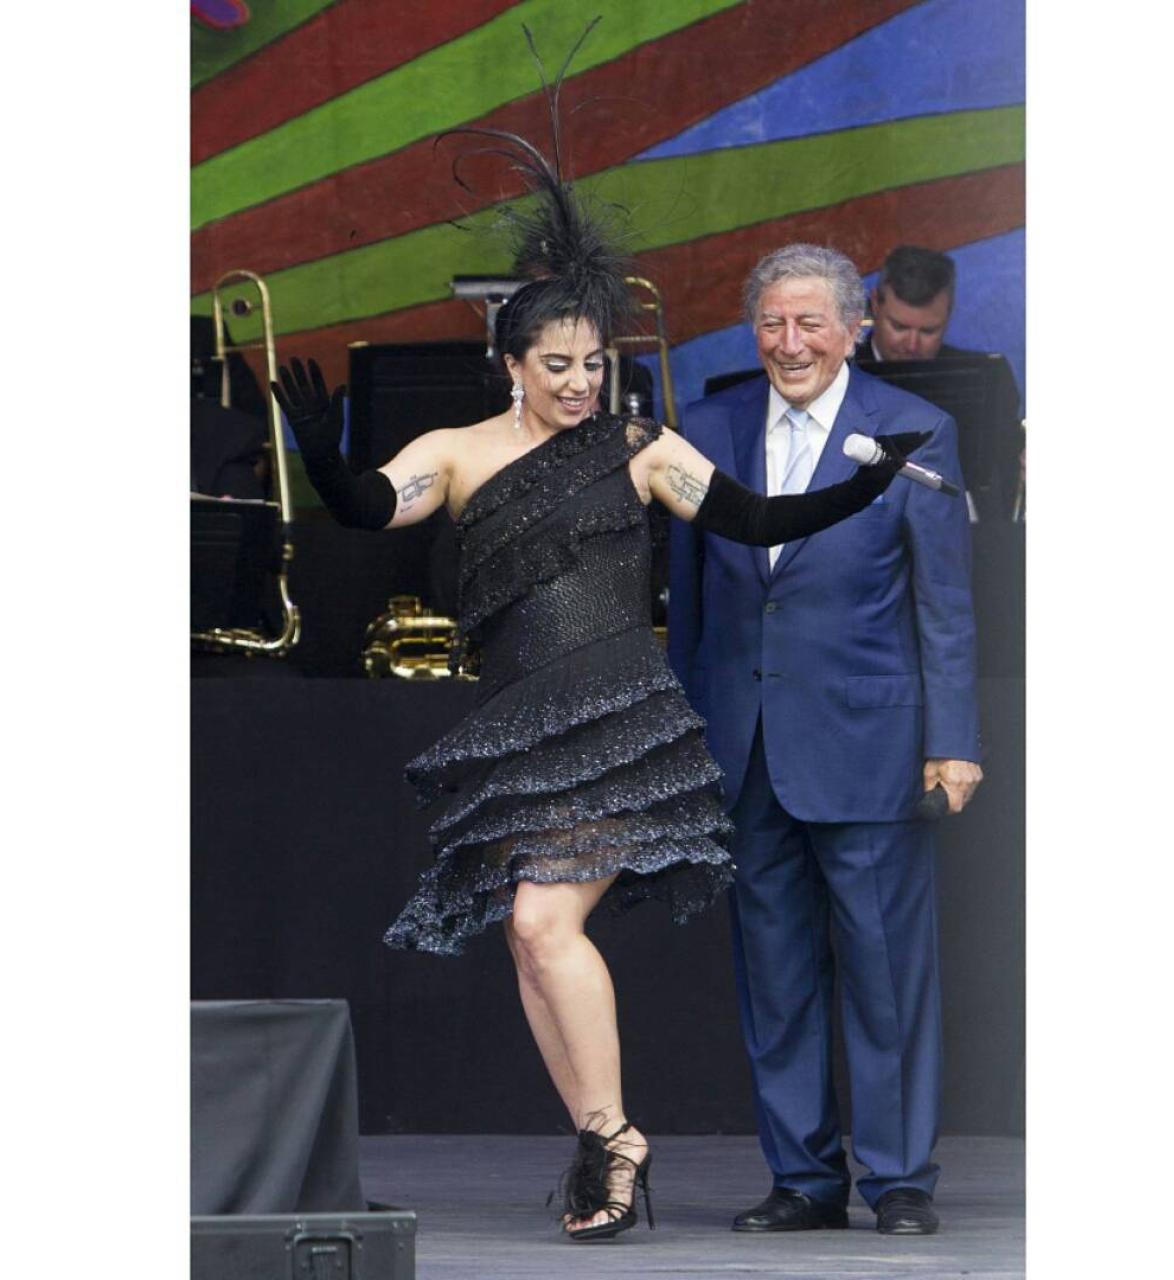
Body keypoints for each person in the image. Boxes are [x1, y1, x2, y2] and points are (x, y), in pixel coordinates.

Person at [271, 141, 927, 1241]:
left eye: (591, 363)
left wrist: (861, 486)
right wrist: (320, 453)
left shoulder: (637, 446)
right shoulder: (457, 451)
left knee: (541, 917)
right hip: (519, 727)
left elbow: (754, 517)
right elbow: (366, 508)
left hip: (618, 723)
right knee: (529, 940)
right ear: (511, 364)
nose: (580, 382)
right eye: (557, 364)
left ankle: (615, 1139)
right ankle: (604, 1140)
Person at [668, 243, 984, 1237]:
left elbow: (944, 602)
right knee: (775, 975)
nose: (790, 342)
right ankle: (802, 1177)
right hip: (745, 744)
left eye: (810, 322)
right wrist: (682, 736)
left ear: (854, 329)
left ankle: (897, 1177)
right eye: (771, 322)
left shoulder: (914, 428)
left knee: (887, 972)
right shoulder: (706, 427)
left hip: (871, 743)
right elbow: (687, 603)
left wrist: (954, 741)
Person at [857, 244, 1023, 517]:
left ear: (949, 313)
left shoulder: (989, 379)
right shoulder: (831, 376)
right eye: (899, 327)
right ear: (875, 304)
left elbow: (1005, 478)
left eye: (928, 331)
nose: (911, 345)